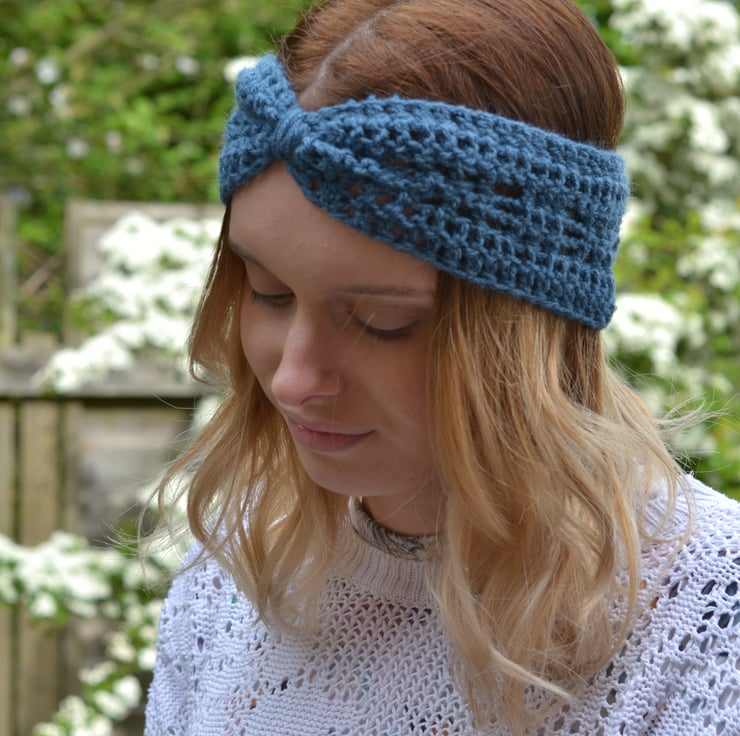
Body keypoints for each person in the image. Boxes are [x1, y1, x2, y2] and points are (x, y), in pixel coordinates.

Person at [143, 0, 740, 733]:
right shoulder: (234, 577)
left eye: (381, 322)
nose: (293, 380)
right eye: (268, 292)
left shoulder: (706, 628)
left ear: (528, 329)